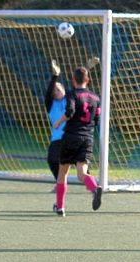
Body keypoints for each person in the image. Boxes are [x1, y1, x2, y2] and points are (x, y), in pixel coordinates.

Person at [53, 66, 103, 215]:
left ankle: (60, 207)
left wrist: (59, 122)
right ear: (88, 80)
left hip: (71, 137)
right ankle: (94, 188)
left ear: (73, 79)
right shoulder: (96, 98)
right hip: (87, 139)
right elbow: (97, 119)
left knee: (63, 173)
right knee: (82, 174)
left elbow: (70, 112)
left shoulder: (72, 94)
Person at [44, 60, 67, 210]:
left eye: (58, 89)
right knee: (52, 160)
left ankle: (94, 186)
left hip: (70, 136)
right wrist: (55, 76)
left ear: (64, 90)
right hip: (57, 138)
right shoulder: (51, 104)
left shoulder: (70, 100)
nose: (56, 92)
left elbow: (79, 88)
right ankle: (59, 182)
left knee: (81, 165)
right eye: (54, 91)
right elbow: (48, 93)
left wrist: (87, 68)